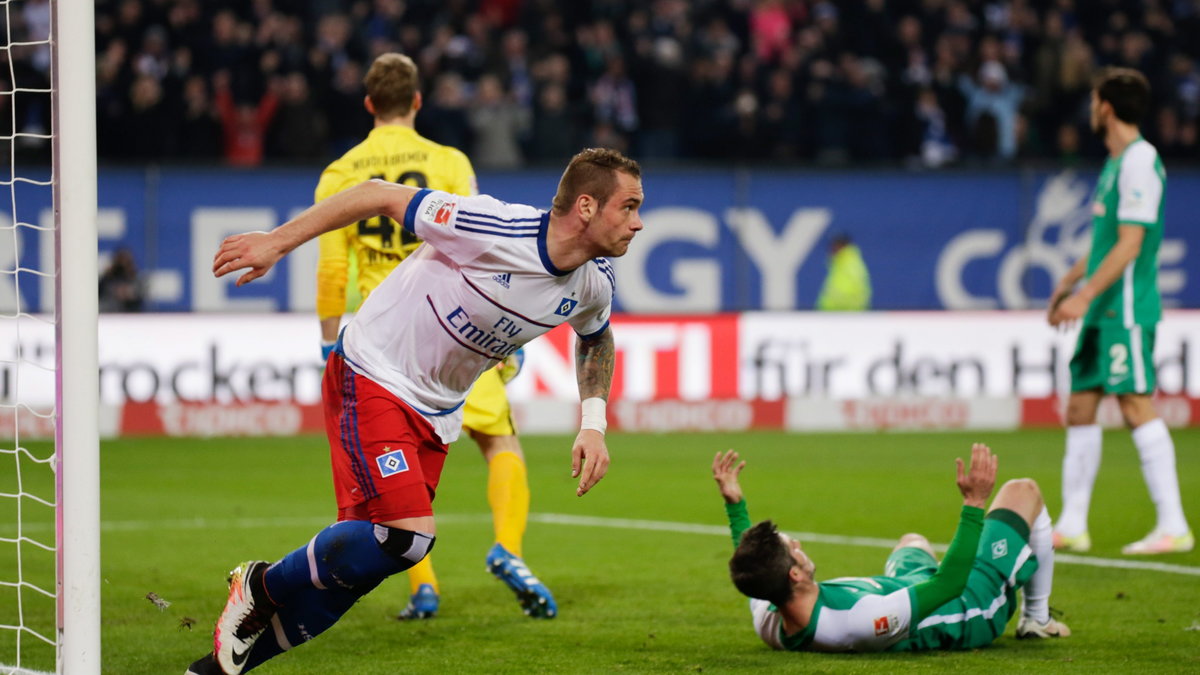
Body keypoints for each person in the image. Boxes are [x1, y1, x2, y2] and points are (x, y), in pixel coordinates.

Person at [188, 147, 642, 675]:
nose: (637, 222)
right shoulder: (492, 226)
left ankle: (215, 671)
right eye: (628, 206)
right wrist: (276, 242)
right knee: (408, 538)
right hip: (374, 370)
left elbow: (595, 340)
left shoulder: (594, 281)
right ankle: (259, 584)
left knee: (363, 565)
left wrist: (593, 424)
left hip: (437, 410)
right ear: (586, 206)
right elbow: (375, 195)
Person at [314, 52, 552, 621]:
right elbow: (482, 244)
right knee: (499, 444)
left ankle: (424, 585)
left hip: (382, 344)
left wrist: (328, 347)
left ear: (369, 104)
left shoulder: (342, 172)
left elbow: (330, 272)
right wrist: (506, 336)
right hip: (459, 331)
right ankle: (510, 549)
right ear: (418, 101)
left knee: (400, 477)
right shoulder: (448, 161)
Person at [712, 444, 1070, 653]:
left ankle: (1029, 611)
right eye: (793, 548)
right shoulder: (856, 622)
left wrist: (735, 504)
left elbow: (750, 564)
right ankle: (1036, 618)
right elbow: (948, 586)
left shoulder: (769, 610)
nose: (799, 545)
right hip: (967, 606)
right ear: (795, 573)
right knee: (1022, 490)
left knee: (911, 541)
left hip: (901, 587)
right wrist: (975, 503)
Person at [1047, 67, 1193, 555]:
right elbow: (1106, 241)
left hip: (1125, 307)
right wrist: (1069, 283)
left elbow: (1130, 245)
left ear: (1105, 106)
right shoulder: (1115, 164)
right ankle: (1072, 524)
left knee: (1133, 403)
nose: (1091, 109)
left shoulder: (1140, 161)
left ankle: (1173, 525)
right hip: (1099, 307)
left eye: (1094, 101)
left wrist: (1085, 296)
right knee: (1080, 405)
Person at [815, 233, 871, 311]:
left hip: (845, 315)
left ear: (843, 246)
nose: (832, 248)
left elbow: (859, 294)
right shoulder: (840, 264)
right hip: (835, 315)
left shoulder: (851, 264)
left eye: (835, 245)